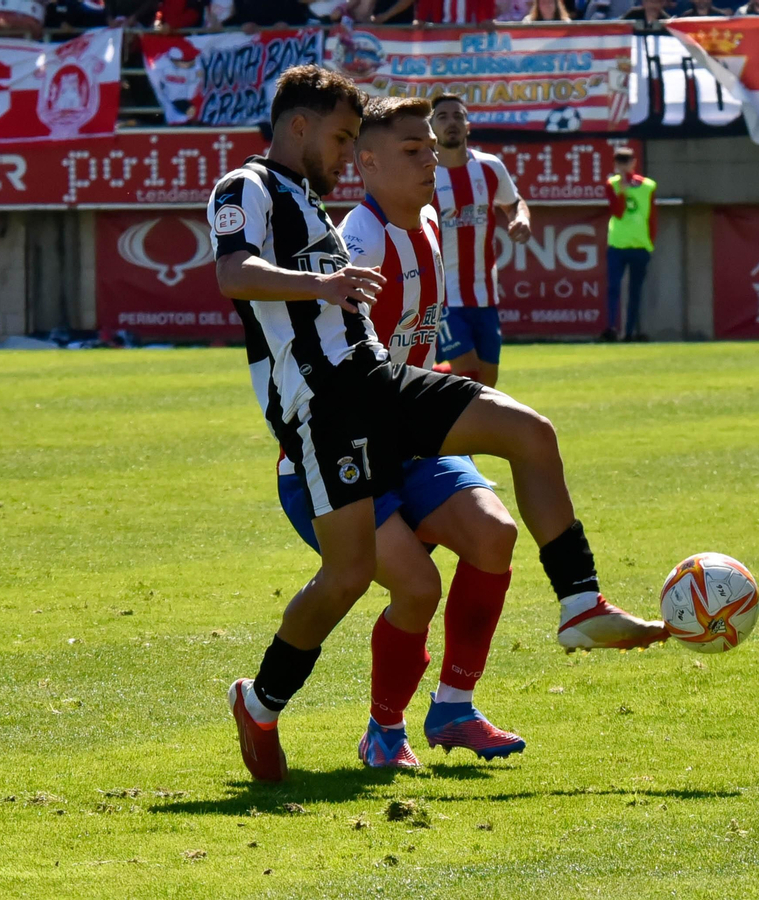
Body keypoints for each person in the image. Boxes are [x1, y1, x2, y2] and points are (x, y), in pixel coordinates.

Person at [210, 66, 664, 783]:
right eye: (340, 138)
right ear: (298, 126)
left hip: (378, 384)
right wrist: (321, 284)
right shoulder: (248, 188)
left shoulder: (321, 203)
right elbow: (234, 274)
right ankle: (262, 703)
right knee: (355, 576)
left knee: (529, 435)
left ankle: (579, 602)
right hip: (323, 409)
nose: (343, 153)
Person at [269, 96, 526, 769]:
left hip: (408, 438)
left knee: (494, 533)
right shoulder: (359, 240)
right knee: (415, 588)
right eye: (413, 150)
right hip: (341, 450)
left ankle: (454, 709)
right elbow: (337, 363)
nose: (432, 160)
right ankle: (384, 733)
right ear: (368, 162)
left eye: (434, 147)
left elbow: (408, 356)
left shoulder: (432, 223)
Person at [429, 93, 531, 388]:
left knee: (487, 384)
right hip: (444, 296)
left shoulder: (489, 167)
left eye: (458, 116)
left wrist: (521, 218)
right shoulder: (424, 175)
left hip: (484, 294)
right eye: (443, 117)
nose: (451, 122)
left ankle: (422, 380)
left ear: (468, 126)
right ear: (431, 126)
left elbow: (514, 203)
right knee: (469, 376)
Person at [602, 146, 657, 343]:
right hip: (617, 244)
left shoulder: (648, 186)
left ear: (633, 163)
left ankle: (630, 332)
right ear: (615, 164)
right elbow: (617, 212)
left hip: (640, 245)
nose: (623, 166)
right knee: (613, 288)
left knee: (635, 291)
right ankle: (611, 328)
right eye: (619, 162)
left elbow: (652, 216)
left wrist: (650, 243)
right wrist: (623, 191)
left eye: (627, 161)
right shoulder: (612, 184)